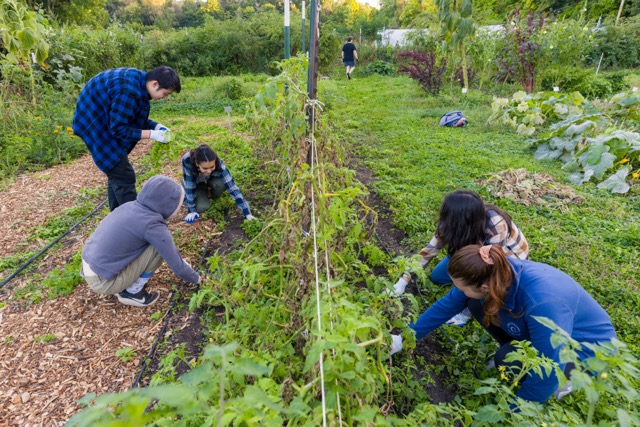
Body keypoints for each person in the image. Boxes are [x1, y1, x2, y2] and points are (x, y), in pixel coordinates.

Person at [392, 244, 617, 404]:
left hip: (587, 350)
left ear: (484, 286)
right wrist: (405, 337)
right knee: (476, 305)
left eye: (461, 287)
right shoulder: (494, 272)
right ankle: (517, 349)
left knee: (508, 361)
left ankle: (567, 381)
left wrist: (516, 410)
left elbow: (547, 369)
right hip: (551, 331)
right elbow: (446, 306)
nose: (457, 292)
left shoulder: (543, 304)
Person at [392, 190, 529, 326]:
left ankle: (467, 310)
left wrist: (464, 310)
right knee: (437, 277)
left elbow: (488, 270)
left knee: (473, 287)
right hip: (473, 248)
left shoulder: (496, 225)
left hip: (506, 257)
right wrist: (403, 280)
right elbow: (429, 251)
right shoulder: (452, 221)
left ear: (462, 220)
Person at [81, 175, 200, 307]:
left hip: (90, 264)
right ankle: (133, 292)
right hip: (103, 281)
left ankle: (126, 283)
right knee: (157, 248)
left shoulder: (130, 206)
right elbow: (178, 267)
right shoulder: (153, 225)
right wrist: (198, 279)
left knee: (147, 242)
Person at [73, 66, 181, 211]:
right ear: (155, 84)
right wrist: (152, 134)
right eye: (165, 93)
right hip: (94, 121)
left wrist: (156, 126)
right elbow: (118, 129)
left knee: (117, 174)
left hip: (105, 118)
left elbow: (132, 116)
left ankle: (117, 217)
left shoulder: (139, 82)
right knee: (122, 173)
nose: (165, 97)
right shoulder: (128, 90)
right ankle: (132, 221)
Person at [181, 144, 256, 223]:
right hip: (196, 184)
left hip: (211, 180)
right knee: (201, 207)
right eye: (205, 168)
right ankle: (198, 192)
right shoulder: (187, 160)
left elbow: (232, 188)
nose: (209, 171)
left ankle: (210, 192)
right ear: (197, 164)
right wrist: (191, 210)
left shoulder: (219, 164)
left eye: (212, 167)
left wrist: (246, 212)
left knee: (222, 184)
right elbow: (190, 185)